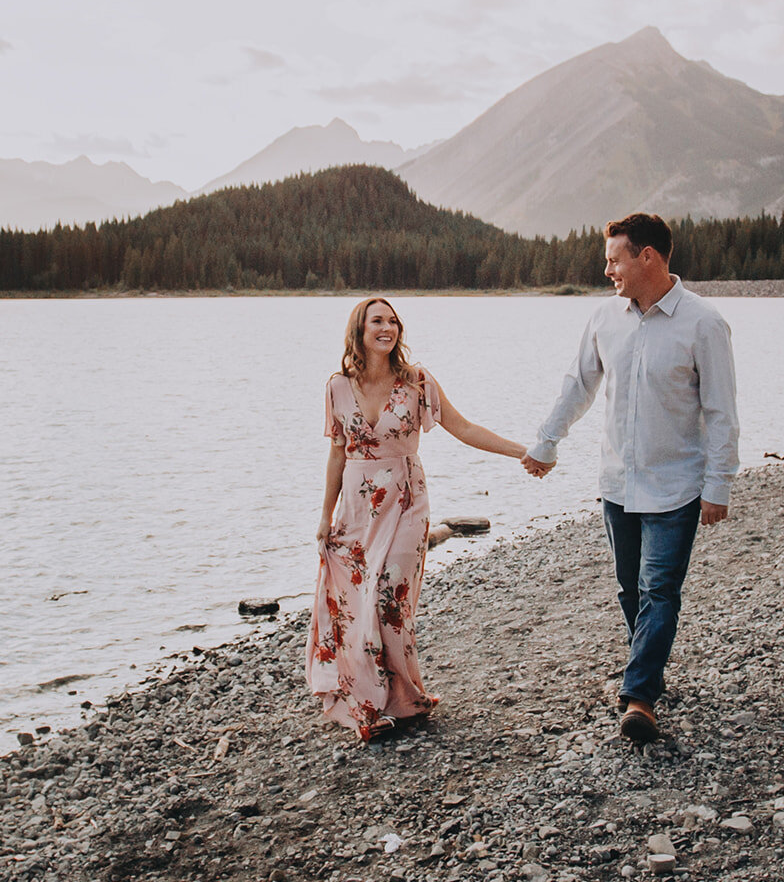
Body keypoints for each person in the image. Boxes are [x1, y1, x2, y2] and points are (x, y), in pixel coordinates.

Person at [523, 212, 739, 743]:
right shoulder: (604, 318)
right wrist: (547, 441)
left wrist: (719, 485)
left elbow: (721, 412)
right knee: (629, 589)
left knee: (658, 590)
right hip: (617, 482)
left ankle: (640, 695)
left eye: (614, 259)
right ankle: (649, 664)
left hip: (677, 487)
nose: (607, 270)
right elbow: (578, 385)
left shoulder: (704, 323)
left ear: (648, 257)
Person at [307, 295, 528, 741]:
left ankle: (405, 696)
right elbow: (336, 454)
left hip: (407, 501)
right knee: (357, 605)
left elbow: (463, 428)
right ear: (359, 330)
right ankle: (372, 703)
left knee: (390, 594)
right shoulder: (337, 386)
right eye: (377, 321)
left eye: (393, 321)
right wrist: (324, 517)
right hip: (356, 508)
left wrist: (525, 451)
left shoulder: (417, 382)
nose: (387, 328)